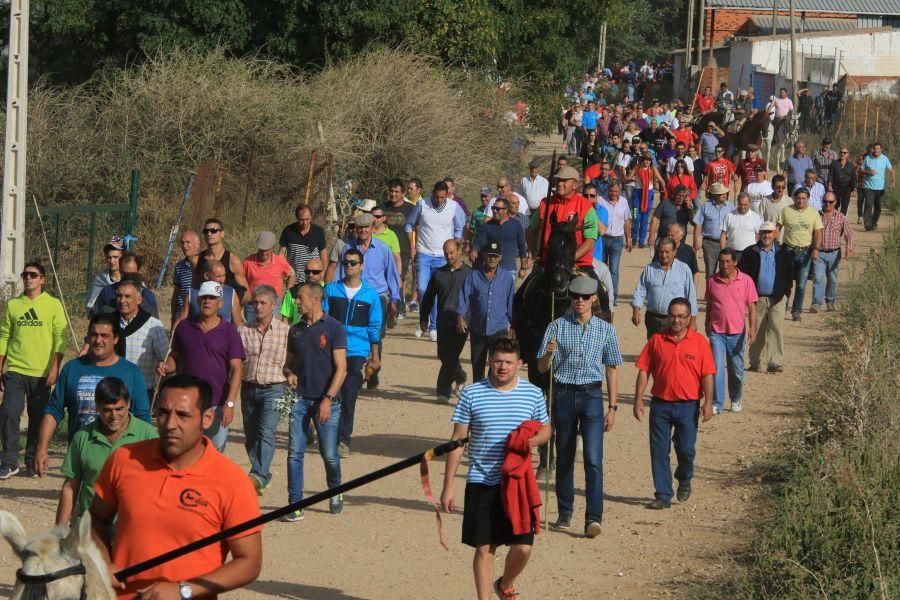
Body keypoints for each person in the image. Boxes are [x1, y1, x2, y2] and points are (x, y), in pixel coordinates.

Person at [89, 374, 262, 598]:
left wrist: (184, 590)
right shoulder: (124, 459)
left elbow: (249, 562)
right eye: (163, 413)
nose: (170, 424)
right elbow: (95, 518)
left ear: (207, 418)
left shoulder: (233, 481)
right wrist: (102, 561)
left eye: (183, 415)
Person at [440, 337, 550, 600]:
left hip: (518, 483)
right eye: (498, 361)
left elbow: (546, 427)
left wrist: (536, 439)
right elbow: (457, 441)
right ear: (489, 361)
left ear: (520, 364)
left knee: (523, 548)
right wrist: (448, 487)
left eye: (509, 362)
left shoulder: (533, 393)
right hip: (481, 480)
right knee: (484, 548)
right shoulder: (471, 393)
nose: (503, 367)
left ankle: (505, 583)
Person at [537, 276, 622, 536]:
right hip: (563, 395)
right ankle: (565, 511)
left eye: (585, 297)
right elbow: (541, 367)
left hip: (592, 397)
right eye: (575, 297)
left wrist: (613, 406)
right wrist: (549, 353)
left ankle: (593, 518)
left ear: (594, 299)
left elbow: (612, 369)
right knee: (564, 457)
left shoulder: (606, 330)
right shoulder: (556, 326)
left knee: (593, 459)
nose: (580, 301)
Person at [34, 314, 151, 477]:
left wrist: (147, 452)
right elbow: (54, 409)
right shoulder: (72, 369)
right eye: (94, 335)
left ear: (116, 338)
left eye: (104, 336)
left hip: (122, 459)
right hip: (82, 456)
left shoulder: (131, 372)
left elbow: (142, 417)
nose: (98, 340)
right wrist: (41, 448)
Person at [633, 297, 715, 509]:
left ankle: (684, 477)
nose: (676, 320)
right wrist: (638, 399)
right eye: (673, 316)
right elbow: (644, 370)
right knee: (659, 450)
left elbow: (708, 375)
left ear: (689, 318)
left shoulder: (700, 343)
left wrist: (708, 404)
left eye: (681, 316)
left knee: (686, 449)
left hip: (688, 405)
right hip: (660, 404)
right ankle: (663, 494)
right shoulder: (656, 341)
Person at [282, 283, 348, 521]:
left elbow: (341, 369)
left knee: (329, 453)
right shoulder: (296, 331)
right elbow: (287, 364)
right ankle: (295, 504)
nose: (296, 302)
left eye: (300, 298)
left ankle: (336, 490)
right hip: (300, 400)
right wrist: (289, 373)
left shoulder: (334, 329)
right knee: (294, 452)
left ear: (315, 299)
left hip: (326, 401)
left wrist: (328, 400)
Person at [55, 376, 157, 525]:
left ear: (128, 403)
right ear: (97, 407)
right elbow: (70, 487)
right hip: (90, 531)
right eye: (107, 410)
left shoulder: (148, 436)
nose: (114, 416)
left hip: (132, 530)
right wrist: (59, 533)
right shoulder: (83, 437)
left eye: (119, 409)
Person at [159, 281, 245, 451]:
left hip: (217, 401)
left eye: (212, 298)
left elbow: (237, 369)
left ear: (220, 303)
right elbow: (176, 356)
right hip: (187, 401)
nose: (207, 301)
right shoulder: (184, 327)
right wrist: (167, 366)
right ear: (198, 301)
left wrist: (230, 404)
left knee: (215, 451)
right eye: (204, 298)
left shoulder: (230, 332)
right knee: (187, 448)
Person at [0, 261, 67, 479]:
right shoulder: (13, 305)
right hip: (16, 369)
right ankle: (10, 461)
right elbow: (4, 336)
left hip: (41, 372)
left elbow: (60, 337)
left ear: (42, 279)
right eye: (25, 274)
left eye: (33, 274)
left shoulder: (53, 304)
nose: (28, 278)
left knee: (37, 417)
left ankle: (31, 460)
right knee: (9, 412)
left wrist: (55, 366)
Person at [323, 248, 382, 458]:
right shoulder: (330, 290)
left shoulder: (371, 295)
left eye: (354, 262)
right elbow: (322, 320)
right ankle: (321, 430)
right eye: (346, 262)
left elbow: (374, 327)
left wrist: (375, 357)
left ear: (362, 266)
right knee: (325, 390)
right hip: (331, 347)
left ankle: (343, 439)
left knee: (349, 394)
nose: (349, 266)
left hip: (357, 350)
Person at [334, 213, 399, 388]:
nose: (363, 230)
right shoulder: (348, 248)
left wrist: (394, 300)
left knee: (375, 334)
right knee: (351, 331)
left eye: (366, 227)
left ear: (372, 228)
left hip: (377, 296)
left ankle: (373, 370)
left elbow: (391, 275)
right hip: (352, 295)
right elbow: (340, 273)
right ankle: (351, 370)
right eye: (359, 227)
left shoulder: (384, 249)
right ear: (355, 229)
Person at [239, 285, 289, 496]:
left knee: (266, 432)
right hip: (249, 387)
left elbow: (293, 360)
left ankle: (258, 474)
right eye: (255, 303)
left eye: (262, 303)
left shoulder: (286, 332)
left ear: (273, 305)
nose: (258, 307)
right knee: (250, 435)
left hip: (275, 388)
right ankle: (261, 475)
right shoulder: (243, 331)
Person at [406, 181, 466, 336]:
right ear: (432, 193)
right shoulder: (422, 204)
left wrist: (456, 248)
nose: (439, 200)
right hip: (424, 253)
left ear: (447, 195)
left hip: (443, 255)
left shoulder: (453, 207)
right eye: (437, 197)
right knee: (423, 289)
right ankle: (423, 320)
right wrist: (412, 247)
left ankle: (433, 326)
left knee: (438, 292)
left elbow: (459, 228)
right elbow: (409, 224)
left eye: (442, 197)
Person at [704, 248, 757, 414]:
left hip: (737, 333)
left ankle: (735, 398)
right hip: (717, 332)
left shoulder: (746, 280)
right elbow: (710, 304)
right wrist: (707, 322)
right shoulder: (712, 280)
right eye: (721, 261)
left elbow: (752, 307)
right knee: (717, 368)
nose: (724, 265)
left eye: (728, 261)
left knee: (736, 370)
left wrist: (752, 329)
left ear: (735, 262)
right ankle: (717, 403)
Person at [527, 165, 602, 281]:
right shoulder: (544, 204)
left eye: (564, 180)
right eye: (558, 180)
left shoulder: (586, 207)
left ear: (575, 185)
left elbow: (590, 241)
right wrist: (534, 252)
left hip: (578, 265)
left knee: (601, 294)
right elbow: (530, 230)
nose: (559, 183)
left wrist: (569, 259)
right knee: (521, 295)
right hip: (546, 265)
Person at [739, 222, 794, 374]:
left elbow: (789, 274)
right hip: (757, 298)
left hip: (778, 298)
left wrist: (786, 293)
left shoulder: (783, 252)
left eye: (769, 232)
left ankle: (775, 362)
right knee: (756, 330)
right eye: (764, 232)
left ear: (775, 233)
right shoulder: (750, 252)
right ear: (759, 233)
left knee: (775, 329)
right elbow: (743, 275)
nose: (766, 235)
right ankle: (755, 361)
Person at [421, 240, 471, 404]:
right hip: (443, 320)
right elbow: (428, 297)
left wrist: (468, 318)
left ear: (459, 251)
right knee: (443, 354)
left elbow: (476, 299)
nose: (448, 256)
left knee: (452, 356)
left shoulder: (470, 274)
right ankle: (460, 376)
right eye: (446, 253)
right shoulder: (439, 274)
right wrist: (423, 318)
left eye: (451, 253)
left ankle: (443, 391)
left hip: (461, 323)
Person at [457, 243, 516, 383]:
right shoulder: (474, 276)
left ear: (500, 257)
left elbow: (511, 303)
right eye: (489, 255)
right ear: (484, 256)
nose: (492, 259)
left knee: (496, 365)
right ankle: (478, 397)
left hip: (499, 329)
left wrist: (514, 325)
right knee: (477, 365)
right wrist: (460, 316)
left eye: (495, 256)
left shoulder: (507, 278)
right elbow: (464, 297)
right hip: (478, 328)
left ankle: (492, 395)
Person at [109, 278, 168, 399]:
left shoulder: (153, 325)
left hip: (141, 392)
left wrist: (161, 365)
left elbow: (165, 358)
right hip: (111, 390)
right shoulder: (108, 323)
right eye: (119, 296)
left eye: (127, 296)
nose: (122, 300)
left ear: (139, 299)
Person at [632, 237, 698, 339]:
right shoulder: (649, 269)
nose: (663, 255)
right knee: (654, 350)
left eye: (667, 252)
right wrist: (636, 311)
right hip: (653, 319)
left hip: (675, 320)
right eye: (661, 252)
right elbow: (640, 291)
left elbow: (691, 295)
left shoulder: (684, 269)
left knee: (673, 350)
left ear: (674, 252)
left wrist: (693, 321)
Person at [778, 187, 823, 321]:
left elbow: (818, 232)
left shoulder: (814, 213)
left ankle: (796, 311)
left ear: (808, 199)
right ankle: (782, 308)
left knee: (801, 284)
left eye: (804, 198)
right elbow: (778, 228)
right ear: (794, 198)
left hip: (805, 252)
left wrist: (816, 248)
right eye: (798, 198)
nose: (801, 201)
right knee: (786, 283)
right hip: (787, 251)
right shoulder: (786, 211)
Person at [812, 192, 854, 312]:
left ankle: (830, 301)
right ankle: (816, 303)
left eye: (830, 202)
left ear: (835, 202)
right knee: (818, 278)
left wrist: (849, 248)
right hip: (819, 253)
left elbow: (849, 234)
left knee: (833, 279)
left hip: (834, 253)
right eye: (825, 201)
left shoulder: (841, 217)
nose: (828, 204)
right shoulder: (816, 216)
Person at [243, 230, 296, 323]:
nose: (263, 253)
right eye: (261, 250)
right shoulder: (248, 262)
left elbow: (292, 273)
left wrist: (288, 292)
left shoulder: (279, 261)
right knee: (251, 332)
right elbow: (241, 280)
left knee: (270, 331)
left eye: (266, 250)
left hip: (273, 304)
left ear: (272, 248)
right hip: (253, 304)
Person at [382, 178, 416, 316]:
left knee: (398, 277)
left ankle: (398, 306)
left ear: (403, 193)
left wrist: (414, 247)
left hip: (403, 249)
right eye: (391, 191)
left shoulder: (411, 209)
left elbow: (417, 228)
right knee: (385, 278)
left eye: (397, 191)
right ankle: (390, 307)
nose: (393, 194)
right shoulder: (383, 208)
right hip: (384, 249)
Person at [89, 252, 160, 319]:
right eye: (123, 273)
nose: (127, 278)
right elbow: (95, 320)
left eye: (131, 274)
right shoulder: (107, 292)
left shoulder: (147, 295)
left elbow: (154, 325)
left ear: (138, 272)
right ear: (119, 270)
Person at [472, 197, 529, 278]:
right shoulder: (487, 226)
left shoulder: (516, 225)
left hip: (509, 269)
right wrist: (475, 249)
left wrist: (523, 268)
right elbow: (480, 240)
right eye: (493, 208)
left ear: (506, 210)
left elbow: (522, 246)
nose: (494, 211)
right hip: (491, 270)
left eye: (498, 209)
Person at [176, 259, 243, 326]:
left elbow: (238, 326)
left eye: (224, 275)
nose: (222, 280)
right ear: (206, 276)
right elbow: (180, 320)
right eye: (218, 276)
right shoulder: (192, 293)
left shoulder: (231, 294)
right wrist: (173, 334)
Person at [197, 217, 250, 302]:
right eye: (206, 231)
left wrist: (231, 307)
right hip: (203, 310)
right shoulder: (198, 259)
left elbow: (247, 295)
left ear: (222, 234)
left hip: (225, 311)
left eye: (213, 230)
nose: (209, 234)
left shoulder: (233, 261)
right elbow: (193, 287)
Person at [598, 181, 633, 301]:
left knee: (614, 269)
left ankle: (612, 296)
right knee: (601, 267)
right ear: (608, 190)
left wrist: (629, 238)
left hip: (617, 239)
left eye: (616, 191)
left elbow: (627, 221)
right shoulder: (600, 200)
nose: (613, 193)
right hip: (602, 238)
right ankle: (600, 294)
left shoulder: (624, 201)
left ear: (619, 191)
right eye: (612, 191)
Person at [693, 182, 735, 279]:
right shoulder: (705, 206)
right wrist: (696, 241)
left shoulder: (731, 206)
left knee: (727, 271)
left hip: (727, 243)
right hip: (709, 243)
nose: (724, 195)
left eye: (725, 193)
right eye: (721, 193)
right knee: (710, 272)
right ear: (715, 195)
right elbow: (698, 224)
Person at [278, 204, 328, 284]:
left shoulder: (318, 231)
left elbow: (323, 254)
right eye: (301, 220)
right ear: (296, 218)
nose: (305, 222)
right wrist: (284, 270)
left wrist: (323, 273)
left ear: (311, 216)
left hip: (313, 278)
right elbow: (281, 253)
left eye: (307, 219)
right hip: (294, 279)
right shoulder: (288, 230)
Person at [627, 153, 666, 248]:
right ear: (642, 160)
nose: (647, 161)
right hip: (637, 194)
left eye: (649, 160)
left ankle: (641, 240)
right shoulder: (637, 168)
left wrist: (663, 192)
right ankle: (634, 238)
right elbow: (627, 179)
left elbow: (662, 181)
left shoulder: (652, 169)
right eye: (645, 159)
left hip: (648, 195)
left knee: (645, 218)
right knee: (636, 217)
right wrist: (633, 180)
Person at [860, 142, 895, 231]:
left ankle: (874, 222)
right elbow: (861, 169)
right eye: (874, 148)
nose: (876, 150)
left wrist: (893, 181)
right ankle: (867, 223)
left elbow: (891, 170)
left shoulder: (885, 159)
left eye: (878, 148)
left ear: (881, 150)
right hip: (869, 187)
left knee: (878, 207)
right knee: (868, 204)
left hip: (880, 188)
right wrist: (868, 172)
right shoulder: (868, 158)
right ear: (872, 149)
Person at [280, 257, 325, 325]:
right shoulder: (293, 292)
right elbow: (285, 320)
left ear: (322, 273)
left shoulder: (329, 291)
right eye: (307, 272)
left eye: (315, 272)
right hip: (299, 333)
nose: (310, 275)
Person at [170, 230, 201, 327]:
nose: (184, 245)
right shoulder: (179, 266)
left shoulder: (206, 265)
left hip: (199, 317)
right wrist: (174, 317)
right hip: (181, 319)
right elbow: (176, 294)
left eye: (188, 242)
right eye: (182, 243)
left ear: (197, 244)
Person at [86, 236, 125, 312]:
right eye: (108, 257)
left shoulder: (130, 276)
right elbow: (90, 305)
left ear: (122, 256)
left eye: (115, 257)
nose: (111, 261)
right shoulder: (101, 278)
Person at [720, 192, 763, 257]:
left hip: (750, 254)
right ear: (737, 203)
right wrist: (722, 251)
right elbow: (723, 234)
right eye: (740, 204)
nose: (742, 207)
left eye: (745, 204)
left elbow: (759, 235)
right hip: (733, 253)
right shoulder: (729, 216)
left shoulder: (755, 217)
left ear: (749, 203)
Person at [371, 206, 403, 282]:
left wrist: (398, 277)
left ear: (384, 218)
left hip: (385, 275)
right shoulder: (366, 233)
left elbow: (397, 258)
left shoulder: (391, 235)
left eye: (378, 217)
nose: (375, 219)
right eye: (373, 216)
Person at [668, 223, 700, 291]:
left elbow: (695, 272)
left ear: (681, 236)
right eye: (668, 235)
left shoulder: (688, 251)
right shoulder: (662, 249)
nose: (669, 238)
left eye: (672, 235)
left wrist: (693, 291)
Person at [829, 146, 857, 216]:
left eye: (845, 153)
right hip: (836, 187)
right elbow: (830, 175)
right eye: (841, 152)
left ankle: (842, 221)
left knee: (845, 205)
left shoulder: (851, 165)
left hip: (847, 188)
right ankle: (834, 220)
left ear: (848, 154)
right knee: (835, 204)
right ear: (839, 154)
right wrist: (829, 185)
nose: (843, 154)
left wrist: (854, 189)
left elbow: (854, 178)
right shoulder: (834, 164)